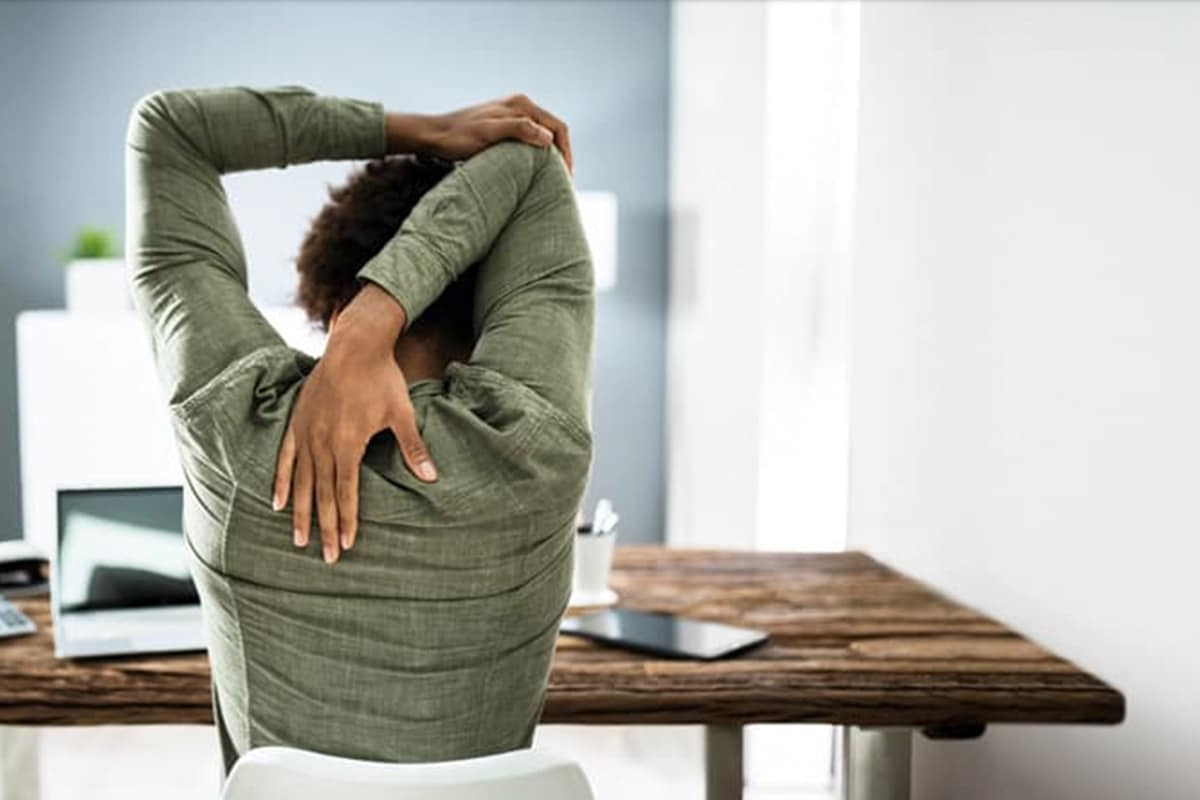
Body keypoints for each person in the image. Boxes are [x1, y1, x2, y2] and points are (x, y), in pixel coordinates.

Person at [123, 84, 595, 776]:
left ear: (330, 306)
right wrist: (386, 305)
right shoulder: (531, 443)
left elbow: (171, 129)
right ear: (497, 297)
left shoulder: (231, 423)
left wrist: (423, 128)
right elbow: (532, 159)